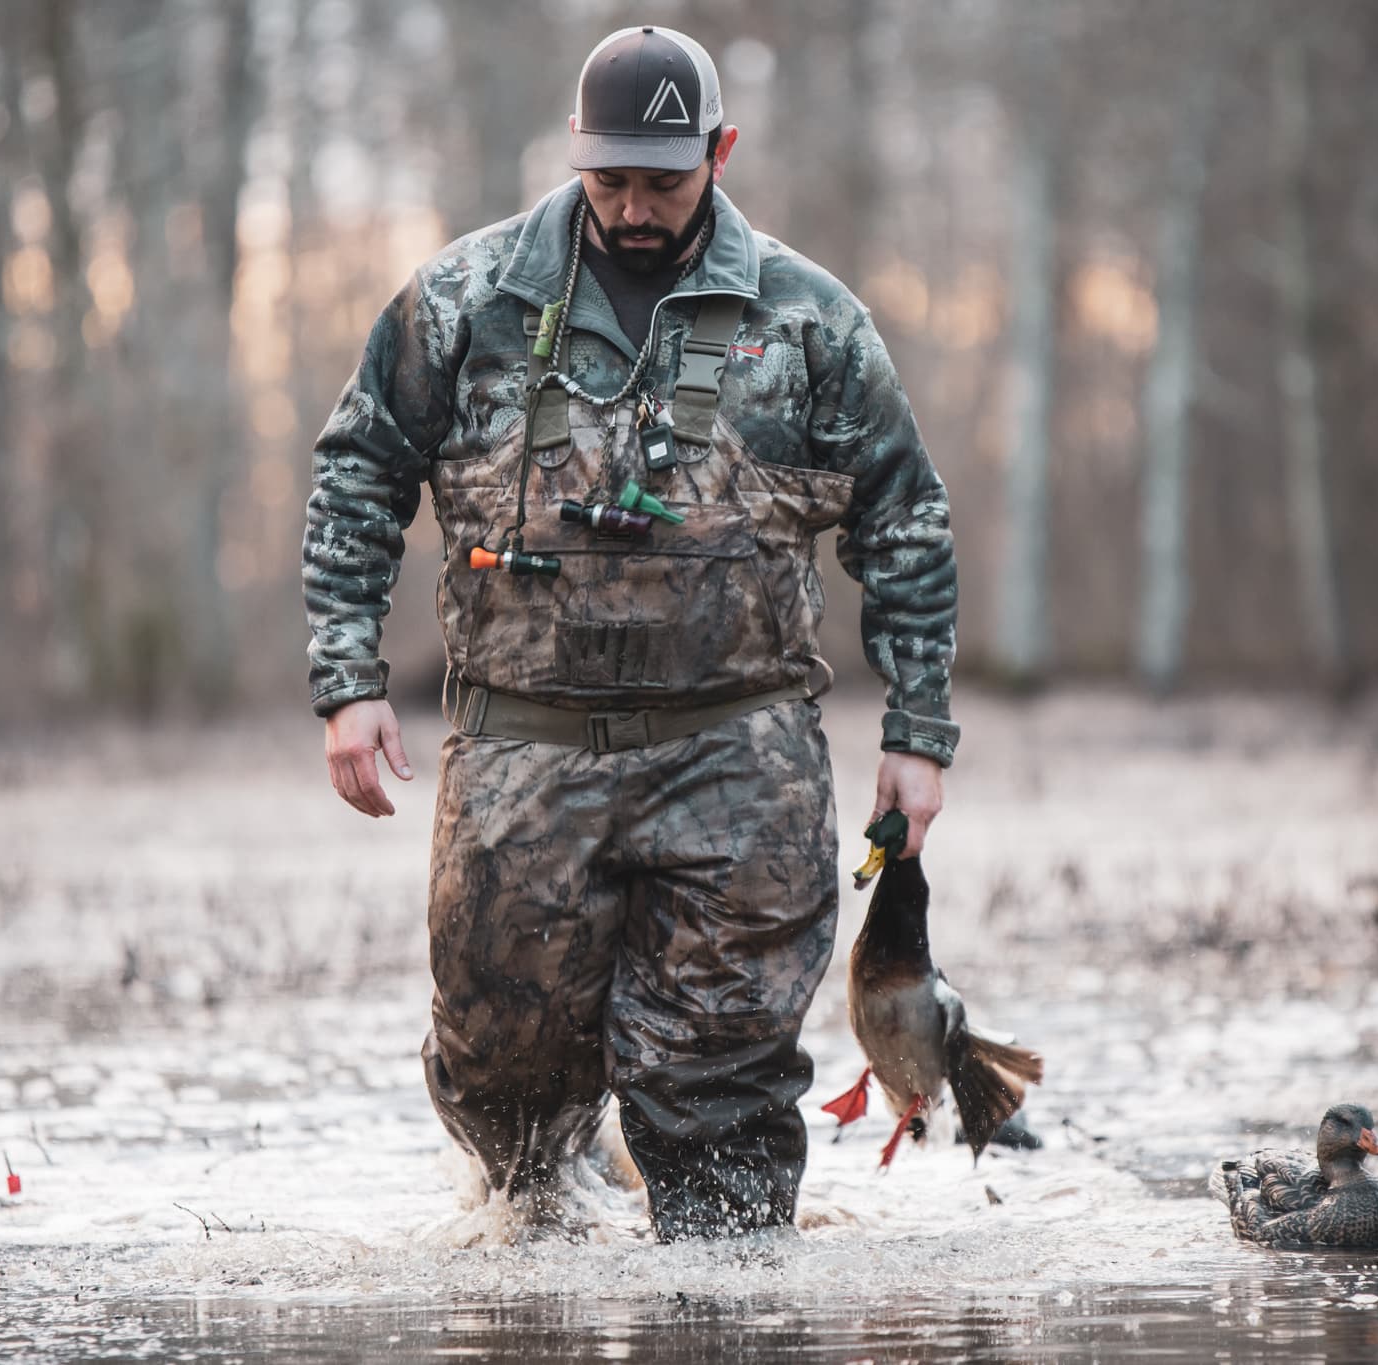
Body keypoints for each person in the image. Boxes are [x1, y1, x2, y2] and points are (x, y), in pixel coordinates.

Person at [300, 24, 958, 1239]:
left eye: (664, 178)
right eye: (611, 180)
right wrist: (347, 680)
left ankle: (718, 1303)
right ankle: (544, 1241)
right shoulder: (463, 301)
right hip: (520, 752)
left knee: (718, 1090)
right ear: (573, 151)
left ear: (721, 149)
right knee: (503, 1076)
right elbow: (354, 481)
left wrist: (916, 733)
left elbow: (903, 521)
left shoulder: (810, 320)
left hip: (737, 757)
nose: (636, 206)